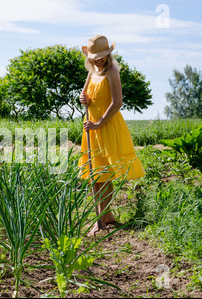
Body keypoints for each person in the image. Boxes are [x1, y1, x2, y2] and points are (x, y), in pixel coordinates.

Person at [78, 35, 145, 235]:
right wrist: (83, 98)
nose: (99, 60)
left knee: (104, 173)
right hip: (91, 126)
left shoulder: (112, 71)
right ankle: (107, 217)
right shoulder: (91, 72)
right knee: (94, 174)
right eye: (95, 57)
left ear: (109, 55)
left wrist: (99, 123)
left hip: (106, 124)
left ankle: (99, 221)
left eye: (102, 56)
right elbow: (85, 96)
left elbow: (117, 102)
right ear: (90, 57)